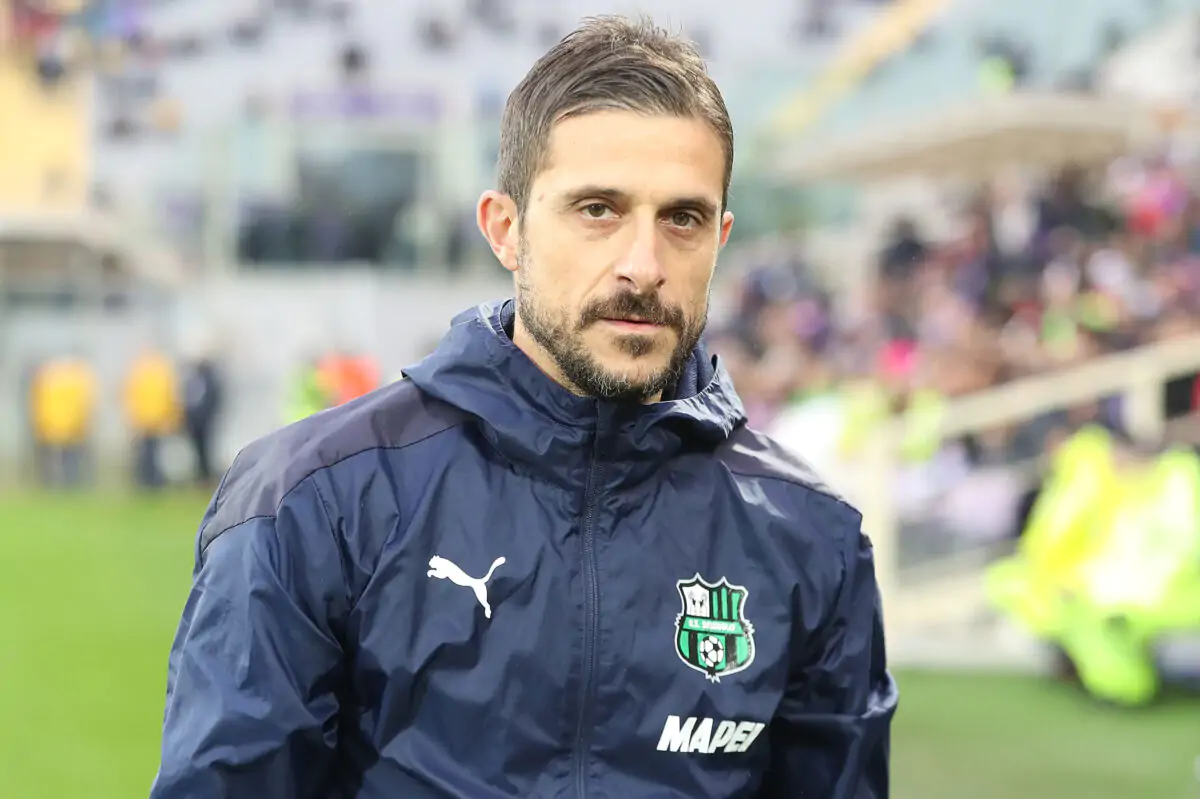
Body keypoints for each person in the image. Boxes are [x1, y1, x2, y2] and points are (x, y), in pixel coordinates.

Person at [151, 16, 896, 798]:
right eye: (598, 209)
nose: (643, 265)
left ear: (721, 237)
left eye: (683, 218)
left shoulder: (812, 537)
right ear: (505, 230)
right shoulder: (313, 501)